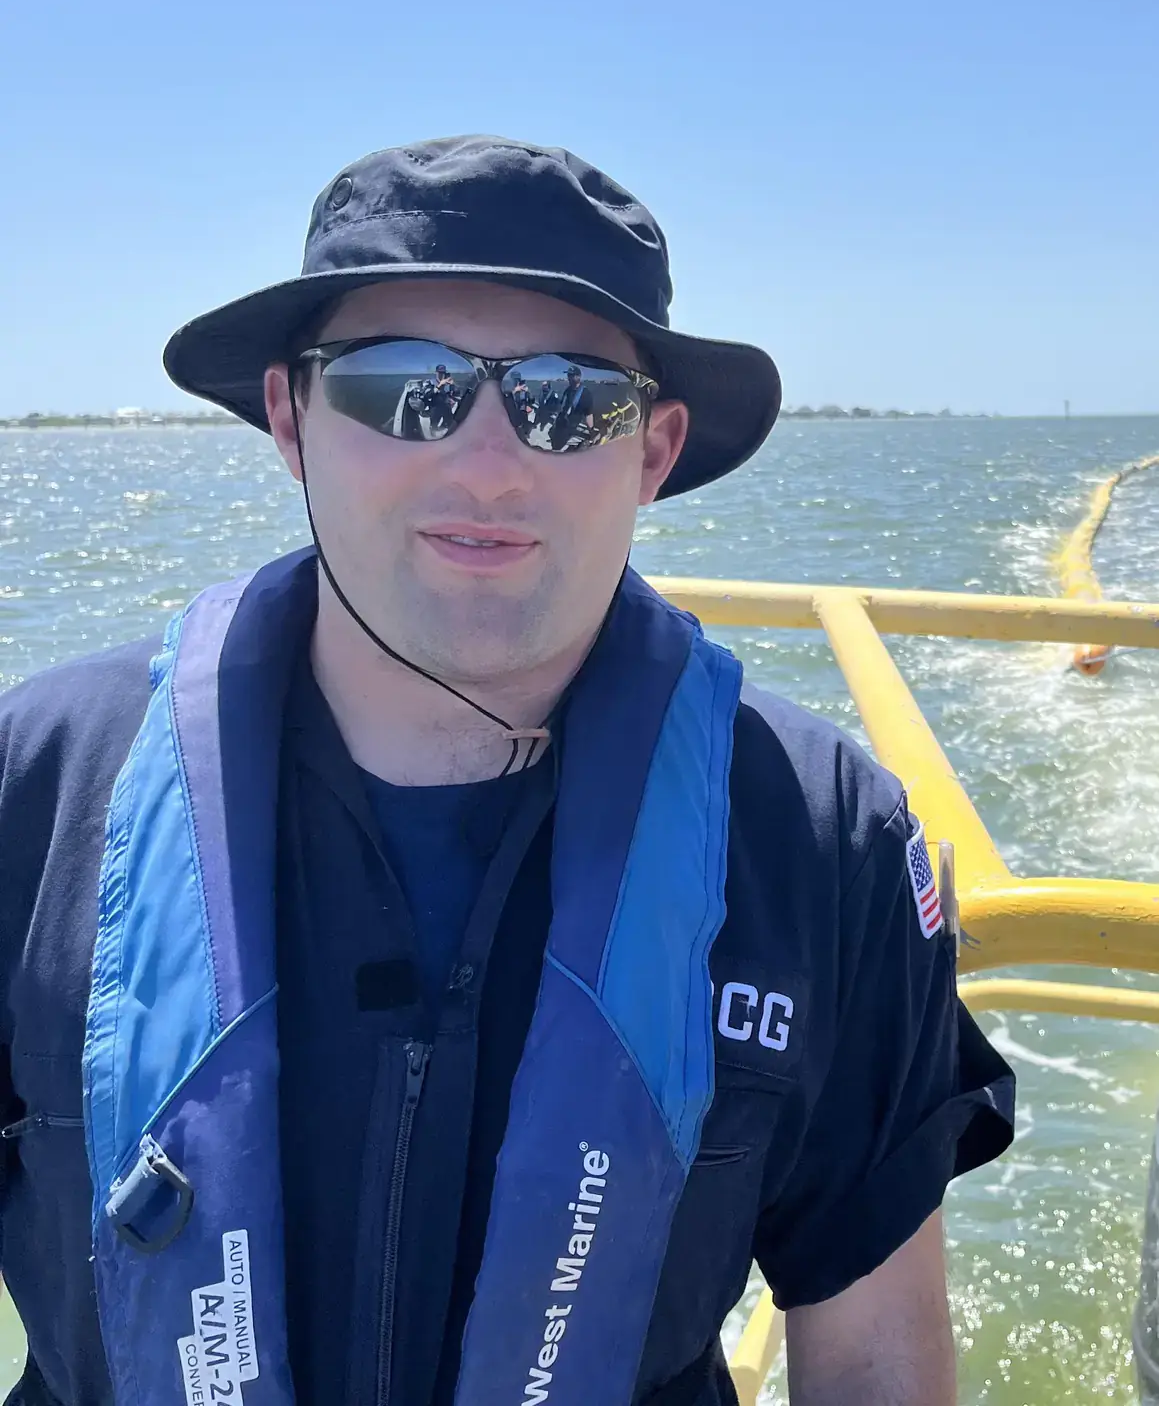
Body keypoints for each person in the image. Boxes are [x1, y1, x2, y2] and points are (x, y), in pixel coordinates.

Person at [0, 135, 1013, 1406]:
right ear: (290, 418)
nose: (486, 464)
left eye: (568, 399)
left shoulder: (818, 839)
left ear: (652, 450)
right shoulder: (39, 792)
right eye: (400, 387)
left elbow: (871, 1357)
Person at [549, 362, 596, 449]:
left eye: (571, 375)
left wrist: (591, 431)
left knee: (557, 446)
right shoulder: (567, 390)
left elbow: (588, 415)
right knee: (552, 435)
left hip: (569, 425)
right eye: (568, 375)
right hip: (560, 421)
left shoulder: (586, 394)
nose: (569, 377)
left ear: (578, 377)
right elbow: (562, 405)